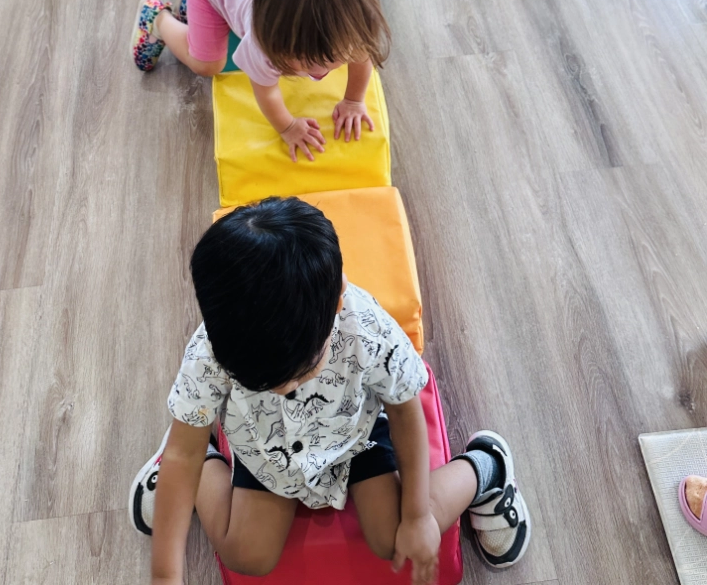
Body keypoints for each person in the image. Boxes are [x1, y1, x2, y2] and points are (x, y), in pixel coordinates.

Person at [128, 198, 532, 582]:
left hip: (355, 436)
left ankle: (486, 467)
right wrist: (165, 574)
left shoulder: (368, 329)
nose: (286, 388)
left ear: (338, 298)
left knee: (396, 535)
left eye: (300, 373)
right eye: (264, 383)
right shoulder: (215, 346)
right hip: (264, 450)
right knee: (246, 554)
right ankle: (209, 458)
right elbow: (183, 453)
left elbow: (406, 409)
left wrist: (416, 517)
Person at [131, 0, 390, 162]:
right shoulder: (262, 44)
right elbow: (266, 92)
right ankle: (159, 17)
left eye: (332, 58)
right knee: (207, 64)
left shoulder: (353, 29)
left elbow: (362, 58)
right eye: (302, 59)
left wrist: (354, 101)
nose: (318, 70)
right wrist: (287, 127)